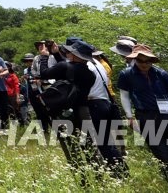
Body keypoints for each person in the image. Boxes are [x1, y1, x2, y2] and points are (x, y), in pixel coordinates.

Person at [118, 44, 168, 190]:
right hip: (146, 117)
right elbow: (124, 96)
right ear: (135, 60)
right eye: (140, 61)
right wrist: (130, 116)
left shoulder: (162, 74)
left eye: (147, 61)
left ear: (152, 61)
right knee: (165, 157)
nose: (144, 64)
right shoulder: (126, 75)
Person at [40, 39, 99, 181]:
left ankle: (81, 179)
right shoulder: (90, 74)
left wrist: (44, 56)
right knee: (89, 144)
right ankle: (99, 175)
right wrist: (57, 54)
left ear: (75, 55)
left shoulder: (64, 67)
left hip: (63, 112)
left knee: (70, 146)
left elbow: (44, 73)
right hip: (83, 111)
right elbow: (68, 72)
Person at [85, 46, 127, 176]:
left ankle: (119, 170)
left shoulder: (96, 65)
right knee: (109, 137)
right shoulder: (101, 64)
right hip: (106, 100)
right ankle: (119, 163)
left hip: (100, 101)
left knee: (105, 140)